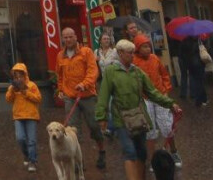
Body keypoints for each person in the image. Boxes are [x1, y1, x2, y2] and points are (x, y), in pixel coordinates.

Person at [96, 39, 182, 180]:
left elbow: (152, 92)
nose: (132, 55)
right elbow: (103, 95)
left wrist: (170, 104)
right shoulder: (111, 72)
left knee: (141, 152)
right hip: (121, 119)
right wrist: (101, 117)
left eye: (133, 52)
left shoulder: (137, 72)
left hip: (139, 118)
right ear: (120, 53)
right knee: (130, 152)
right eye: (129, 53)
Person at [56, 27, 106, 170]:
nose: (68, 39)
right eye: (65, 37)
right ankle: (78, 161)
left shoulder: (86, 52)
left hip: (87, 95)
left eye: (70, 36)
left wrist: (85, 84)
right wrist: (61, 89)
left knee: (94, 126)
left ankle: (102, 151)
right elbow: (60, 75)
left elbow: (93, 71)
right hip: (70, 98)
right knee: (73, 130)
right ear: (62, 39)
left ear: (75, 37)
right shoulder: (60, 56)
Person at [132, 34, 181, 169]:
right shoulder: (134, 62)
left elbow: (164, 75)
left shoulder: (155, 58)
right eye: (144, 47)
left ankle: (174, 152)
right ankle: (153, 159)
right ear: (138, 48)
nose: (148, 49)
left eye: (148, 46)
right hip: (145, 99)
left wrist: (166, 90)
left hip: (159, 96)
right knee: (150, 130)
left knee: (167, 126)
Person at [5, 62, 42, 173]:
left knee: (31, 140)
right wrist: (12, 90)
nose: (18, 78)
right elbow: (8, 100)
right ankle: (27, 155)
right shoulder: (12, 87)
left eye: (20, 76)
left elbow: (38, 99)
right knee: (20, 138)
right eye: (16, 77)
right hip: (18, 116)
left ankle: (32, 161)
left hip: (31, 115)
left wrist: (26, 92)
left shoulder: (32, 85)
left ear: (25, 75)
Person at [176, 32, 208, 107]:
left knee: (195, 80)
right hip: (198, 64)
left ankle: (196, 97)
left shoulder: (185, 41)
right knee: (199, 81)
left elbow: (181, 53)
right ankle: (200, 98)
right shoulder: (200, 41)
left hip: (190, 64)